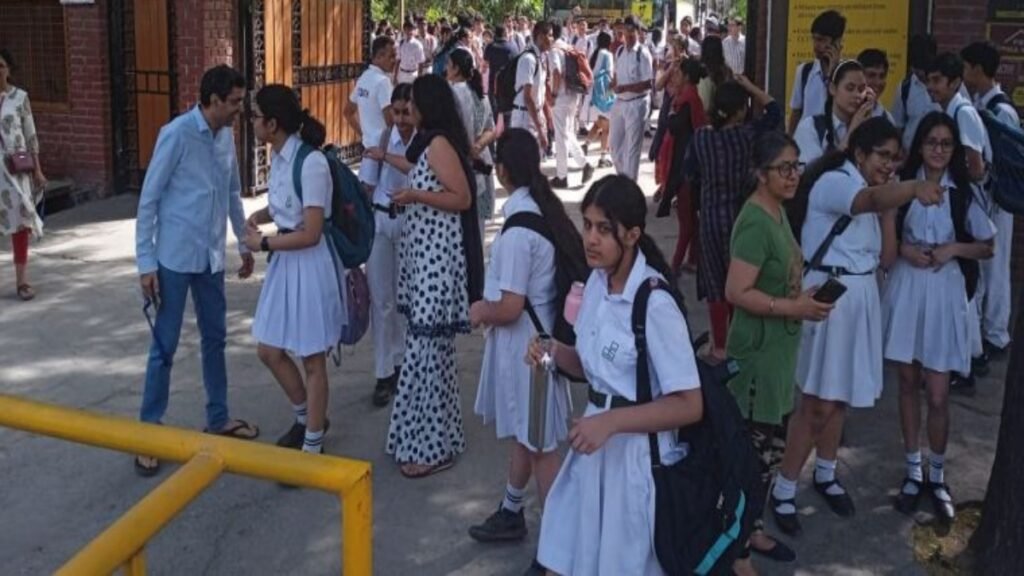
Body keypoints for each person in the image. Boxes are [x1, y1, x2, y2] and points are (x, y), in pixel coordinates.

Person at [769, 117, 943, 535]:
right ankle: (784, 488)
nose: (889, 164)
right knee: (817, 402)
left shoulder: (875, 193)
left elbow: (886, 258)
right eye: (882, 155)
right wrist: (913, 188)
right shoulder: (837, 182)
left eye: (894, 158)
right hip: (829, 296)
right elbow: (866, 200)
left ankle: (826, 473)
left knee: (841, 394)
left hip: (861, 297)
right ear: (859, 153)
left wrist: (890, 211)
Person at [533, 174, 705, 575]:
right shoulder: (596, 283)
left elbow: (689, 404)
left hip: (636, 463)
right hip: (593, 450)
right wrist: (553, 351)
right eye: (587, 225)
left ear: (632, 235)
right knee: (569, 557)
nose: (591, 239)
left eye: (604, 229)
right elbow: (595, 369)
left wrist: (611, 422)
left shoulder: (654, 303)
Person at [133, 65, 259, 476]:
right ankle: (148, 433)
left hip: (210, 258)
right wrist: (146, 263)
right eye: (235, 102)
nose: (240, 109)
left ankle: (218, 418)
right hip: (173, 259)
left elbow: (232, 193)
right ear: (214, 100)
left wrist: (243, 242)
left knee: (215, 339)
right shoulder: (176, 134)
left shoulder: (225, 137)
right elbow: (149, 200)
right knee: (164, 346)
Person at [467, 129, 582, 556]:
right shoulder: (540, 210)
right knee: (528, 434)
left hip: (528, 354)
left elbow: (511, 306)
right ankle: (511, 510)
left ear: (501, 171)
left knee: (541, 448)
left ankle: (557, 549)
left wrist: (480, 310)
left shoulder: (517, 231)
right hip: (539, 347)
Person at [882, 111, 995, 522]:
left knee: (938, 392)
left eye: (946, 143)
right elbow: (885, 235)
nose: (938, 150)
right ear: (920, 145)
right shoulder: (904, 186)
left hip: (944, 289)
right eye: (932, 142)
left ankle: (938, 473)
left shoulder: (962, 192)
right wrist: (905, 250)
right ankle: (914, 470)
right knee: (907, 382)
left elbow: (987, 245)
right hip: (908, 286)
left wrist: (953, 250)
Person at [725, 133, 827, 572]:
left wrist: (801, 299)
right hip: (757, 360)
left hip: (778, 356)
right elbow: (736, 291)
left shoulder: (778, 211)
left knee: (769, 456)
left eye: (796, 166)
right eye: (784, 168)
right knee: (750, 462)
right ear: (760, 173)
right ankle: (737, 552)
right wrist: (793, 307)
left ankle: (752, 531)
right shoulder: (754, 222)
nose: (793, 175)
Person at [386, 74, 483, 478]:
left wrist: (414, 195)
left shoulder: (439, 144)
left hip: (437, 263)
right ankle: (429, 439)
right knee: (430, 354)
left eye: (412, 103)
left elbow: (461, 198)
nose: (408, 110)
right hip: (425, 260)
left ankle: (431, 447)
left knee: (427, 354)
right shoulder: (430, 142)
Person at [242, 85, 345, 454]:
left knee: (312, 359)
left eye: (255, 116)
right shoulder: (279, 158)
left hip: (310, 265)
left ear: (272, 124)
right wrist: (260, 216)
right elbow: (285, 206)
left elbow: (311, 233)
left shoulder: (311, 163)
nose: (251, 122)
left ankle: (312, 443)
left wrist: (264, 244)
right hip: (286, 263)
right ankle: (306, 419)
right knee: (269, 349)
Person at [685, 76, 783, 360]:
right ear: (740, 110)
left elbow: (690, 174)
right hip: (740, 219)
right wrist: (749, 86)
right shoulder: (747, 136)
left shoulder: (701, 137)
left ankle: (719, 346)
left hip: (710, 219)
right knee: (740, 283)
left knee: (715, 284)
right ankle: (741, 343)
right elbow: (775, 110)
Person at [924, 52, 993, 391]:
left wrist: (956, 185)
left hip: (966, 207)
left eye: (937, 80)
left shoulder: (962, 112)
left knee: (968, 287)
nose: (931, 87)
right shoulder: (949, 110)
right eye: (929, 80)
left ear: (954, 83)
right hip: (956, 202)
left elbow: (975, 165)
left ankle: (966, 364)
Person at [961, 41, 1019, 360]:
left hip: (997, 199)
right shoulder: (979, 104)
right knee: (984, 267)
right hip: (985, 198)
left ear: (978, 69)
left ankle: (996, 333)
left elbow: (1008, 158)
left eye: (966, 67)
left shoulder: (1001, 110)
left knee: (996, 266)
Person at [361, 84, 415, 407]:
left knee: (406, 298)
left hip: (412, 224)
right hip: (381, 222)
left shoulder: (424, 143)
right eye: (397, 112)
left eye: (407, 112)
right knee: (382, 301)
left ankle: (406, 363)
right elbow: (366, 187)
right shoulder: (381, 139)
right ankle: (384, 372)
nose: (402, 119)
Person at [0, 48, 46, 301]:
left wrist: (37, 170)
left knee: (20, 222)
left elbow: (30, 135)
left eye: (1, 66)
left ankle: (22, 281)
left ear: (8, 69)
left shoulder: (19, 98)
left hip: (15, 170)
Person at [655, 59, 707, 277]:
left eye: (677, 73)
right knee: (691, 219)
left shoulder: (688, 100)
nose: (673, 77)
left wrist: (670, 115)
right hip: (685, 166)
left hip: (685, 169)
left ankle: (675, 264)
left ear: (686, 77)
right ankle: (692, 259)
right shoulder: (687, 98)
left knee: (686, 220)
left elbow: (676, 128)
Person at [447, 48, 498, 232]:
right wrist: (478, 145)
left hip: (460, 163)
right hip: (480, 159)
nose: (446, 69)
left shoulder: (452, 93)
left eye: (448, 65)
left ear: (456, 69)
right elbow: (491, 129)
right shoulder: (480, 93)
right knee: (478, 228)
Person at [794, 60, 875, 165]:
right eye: (850, 88)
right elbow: (813, 171)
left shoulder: (869, 127)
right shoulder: (810, 126)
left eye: (861, 89)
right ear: (832, 88)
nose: (857, 95)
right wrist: (853, 130)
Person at [345, 36, 396, 192]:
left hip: (369, 149)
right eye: (391, 56)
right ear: (379, 56)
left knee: (367, 195)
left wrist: (364, 135)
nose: (394, 60)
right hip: (383, 152)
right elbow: (391, 121)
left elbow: (347, 112)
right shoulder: (383, 82)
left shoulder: (364, 78)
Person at [548, 25, 595, 189]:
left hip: (560, 96)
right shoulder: (568, 47)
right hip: (573, 94)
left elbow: (556, 73)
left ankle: (562, 177)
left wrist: (553, 94)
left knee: (561, 137)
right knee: (567, 133)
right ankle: (585, 164)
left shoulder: (554, 50)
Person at [787, 10, 847, 135]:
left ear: (836, 42)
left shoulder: (847, 73)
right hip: (806, 141)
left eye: (822, 40)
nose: (816, 46)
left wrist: (834, 71)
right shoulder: (804, 71)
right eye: (814, 39)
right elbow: (796, 112)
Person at [610, 16, 654, 181]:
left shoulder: (643, 54)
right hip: (620, 102)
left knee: (632, 150)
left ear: (638, 32)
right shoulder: (620, 51)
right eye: (625, 30)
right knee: (614, 148)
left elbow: (648, 83)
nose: (628, 34)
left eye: (631, 30)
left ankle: (630, 187)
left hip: (637, 103)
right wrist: (612, 85)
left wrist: (626, 88)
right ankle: (624, 181)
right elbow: (616, 76)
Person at [893, 34, 940, 151]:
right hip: (910, 154)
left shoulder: (949, 86)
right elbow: (898, 126)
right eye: (916, 68)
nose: (921, 73)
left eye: (924, 68)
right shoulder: (905, 88)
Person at [511, 21, 553, 151]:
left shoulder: (541, 58)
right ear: (540, 36)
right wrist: (540, 129)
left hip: (535, 115)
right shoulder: (528, 60)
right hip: (524, 117)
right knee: (524, 158)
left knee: (535, 158)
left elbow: (540, 92)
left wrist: (546, 117)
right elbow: (527, 98)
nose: (552, 39)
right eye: (550, 35)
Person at [584, 31, 615, 169]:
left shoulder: (595, 54)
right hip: (605, 92)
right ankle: (603, 157)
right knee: (607, 127)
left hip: (594, 93)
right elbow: (610, 75)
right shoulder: (607, 54)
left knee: (598, 124)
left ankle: (586, 145)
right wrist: (611, 94)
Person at [483, 25, 518, 123]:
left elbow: (485, 65)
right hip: (509, 85)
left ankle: (495, 130)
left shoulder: (490, 47)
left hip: (493, 85)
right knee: (508, 115)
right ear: (505, 33)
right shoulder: (513, 47)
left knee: (494, 114)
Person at [697, 35, 734, 113]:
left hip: (707, 113)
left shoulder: (701, 70)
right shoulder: (726, 70)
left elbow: (705, 105)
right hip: (724, 112)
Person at [857, 49, 895, 122]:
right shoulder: (844, 113)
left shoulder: (887, 118)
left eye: (882, 76)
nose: (878, 82)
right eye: (871, 75)